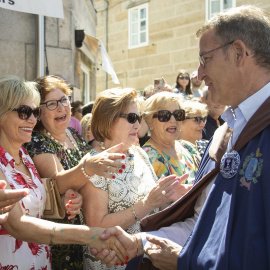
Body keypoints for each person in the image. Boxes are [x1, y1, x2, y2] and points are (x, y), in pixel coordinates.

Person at [91, 5, 270, 270]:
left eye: (205, 58)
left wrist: (185, 262)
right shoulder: (223, 136)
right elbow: (201, 224)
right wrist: (141, 243)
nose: (198, 75)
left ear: (238, 53)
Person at [0, 75, 127, 269]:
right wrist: (92, 235)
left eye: (35, 112)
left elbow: (40, 198)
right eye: (25, 112)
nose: (33, 119)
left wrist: (64, 199)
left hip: (41, 260)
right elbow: (18, 224)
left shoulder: (24, 155)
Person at [81, 88, 188, 270]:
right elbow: (96, 225)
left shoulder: (138, 153)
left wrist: (170, 195)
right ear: (108, 120)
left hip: (143, 261)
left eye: (138, 119)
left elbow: (155, 205)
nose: (138, 126)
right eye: (131, 119)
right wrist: (146, 203)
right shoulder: (94, 163)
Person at [142, 92, 198, 184]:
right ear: (149, 121)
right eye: (164, 115)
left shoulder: (188, 147)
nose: (173, 120)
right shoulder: (147, 156)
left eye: (178, 114)